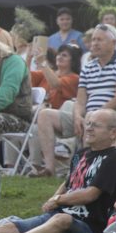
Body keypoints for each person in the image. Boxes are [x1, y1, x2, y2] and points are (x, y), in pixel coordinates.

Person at [72, 24, 116, 138]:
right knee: (46, 115)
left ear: (113, 43)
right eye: (93, 39)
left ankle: (86, 154)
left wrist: (95, 114)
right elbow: (80, 101)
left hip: (113, 115)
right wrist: (77, 116)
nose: (95, 43)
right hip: (89, 114)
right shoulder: (88, 67)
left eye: (99, 40)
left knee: (89, 118)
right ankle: (56, 152)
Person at [28, 44, 83, 177]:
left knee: (41, 117)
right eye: (59, 54)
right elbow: (26, 79)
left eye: (64, 55)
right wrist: (29, 59)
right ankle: (37, 168)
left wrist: (43, 63)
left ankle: (49, 167)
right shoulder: (46, 73)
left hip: (60, 122)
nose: (59, 57)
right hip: (41, 119)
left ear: (73, 60)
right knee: (34, 129)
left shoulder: (74, 78)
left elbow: (56, 84)